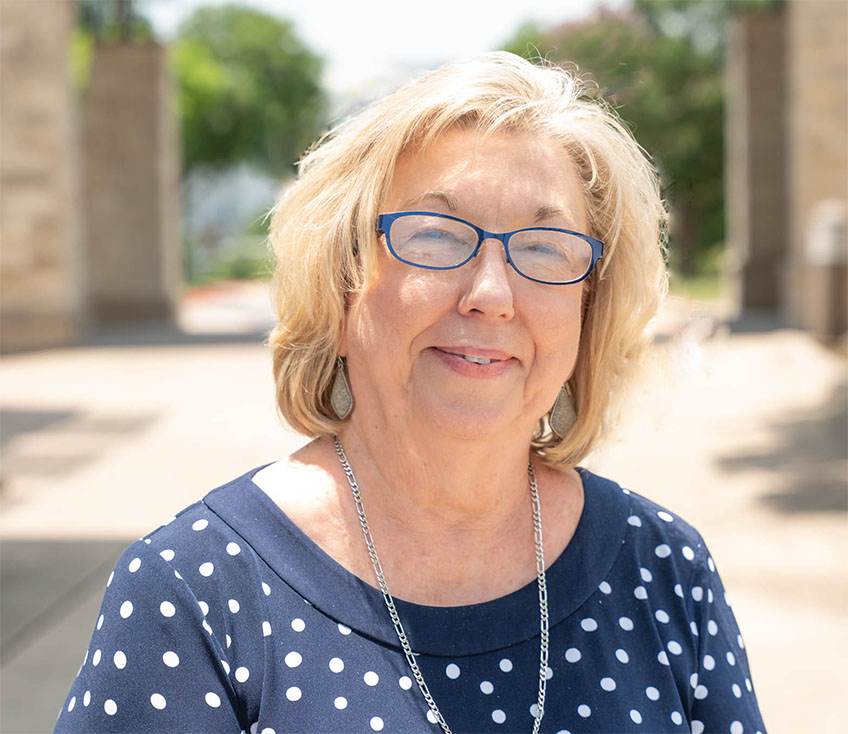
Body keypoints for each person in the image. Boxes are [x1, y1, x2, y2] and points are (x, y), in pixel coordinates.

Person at [56, 52, 766, 733]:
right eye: (435, 236)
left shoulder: (665, 570)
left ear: (589, 309)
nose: (492, 295)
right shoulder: (193, 590)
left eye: (544, 248)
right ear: (340, 286)